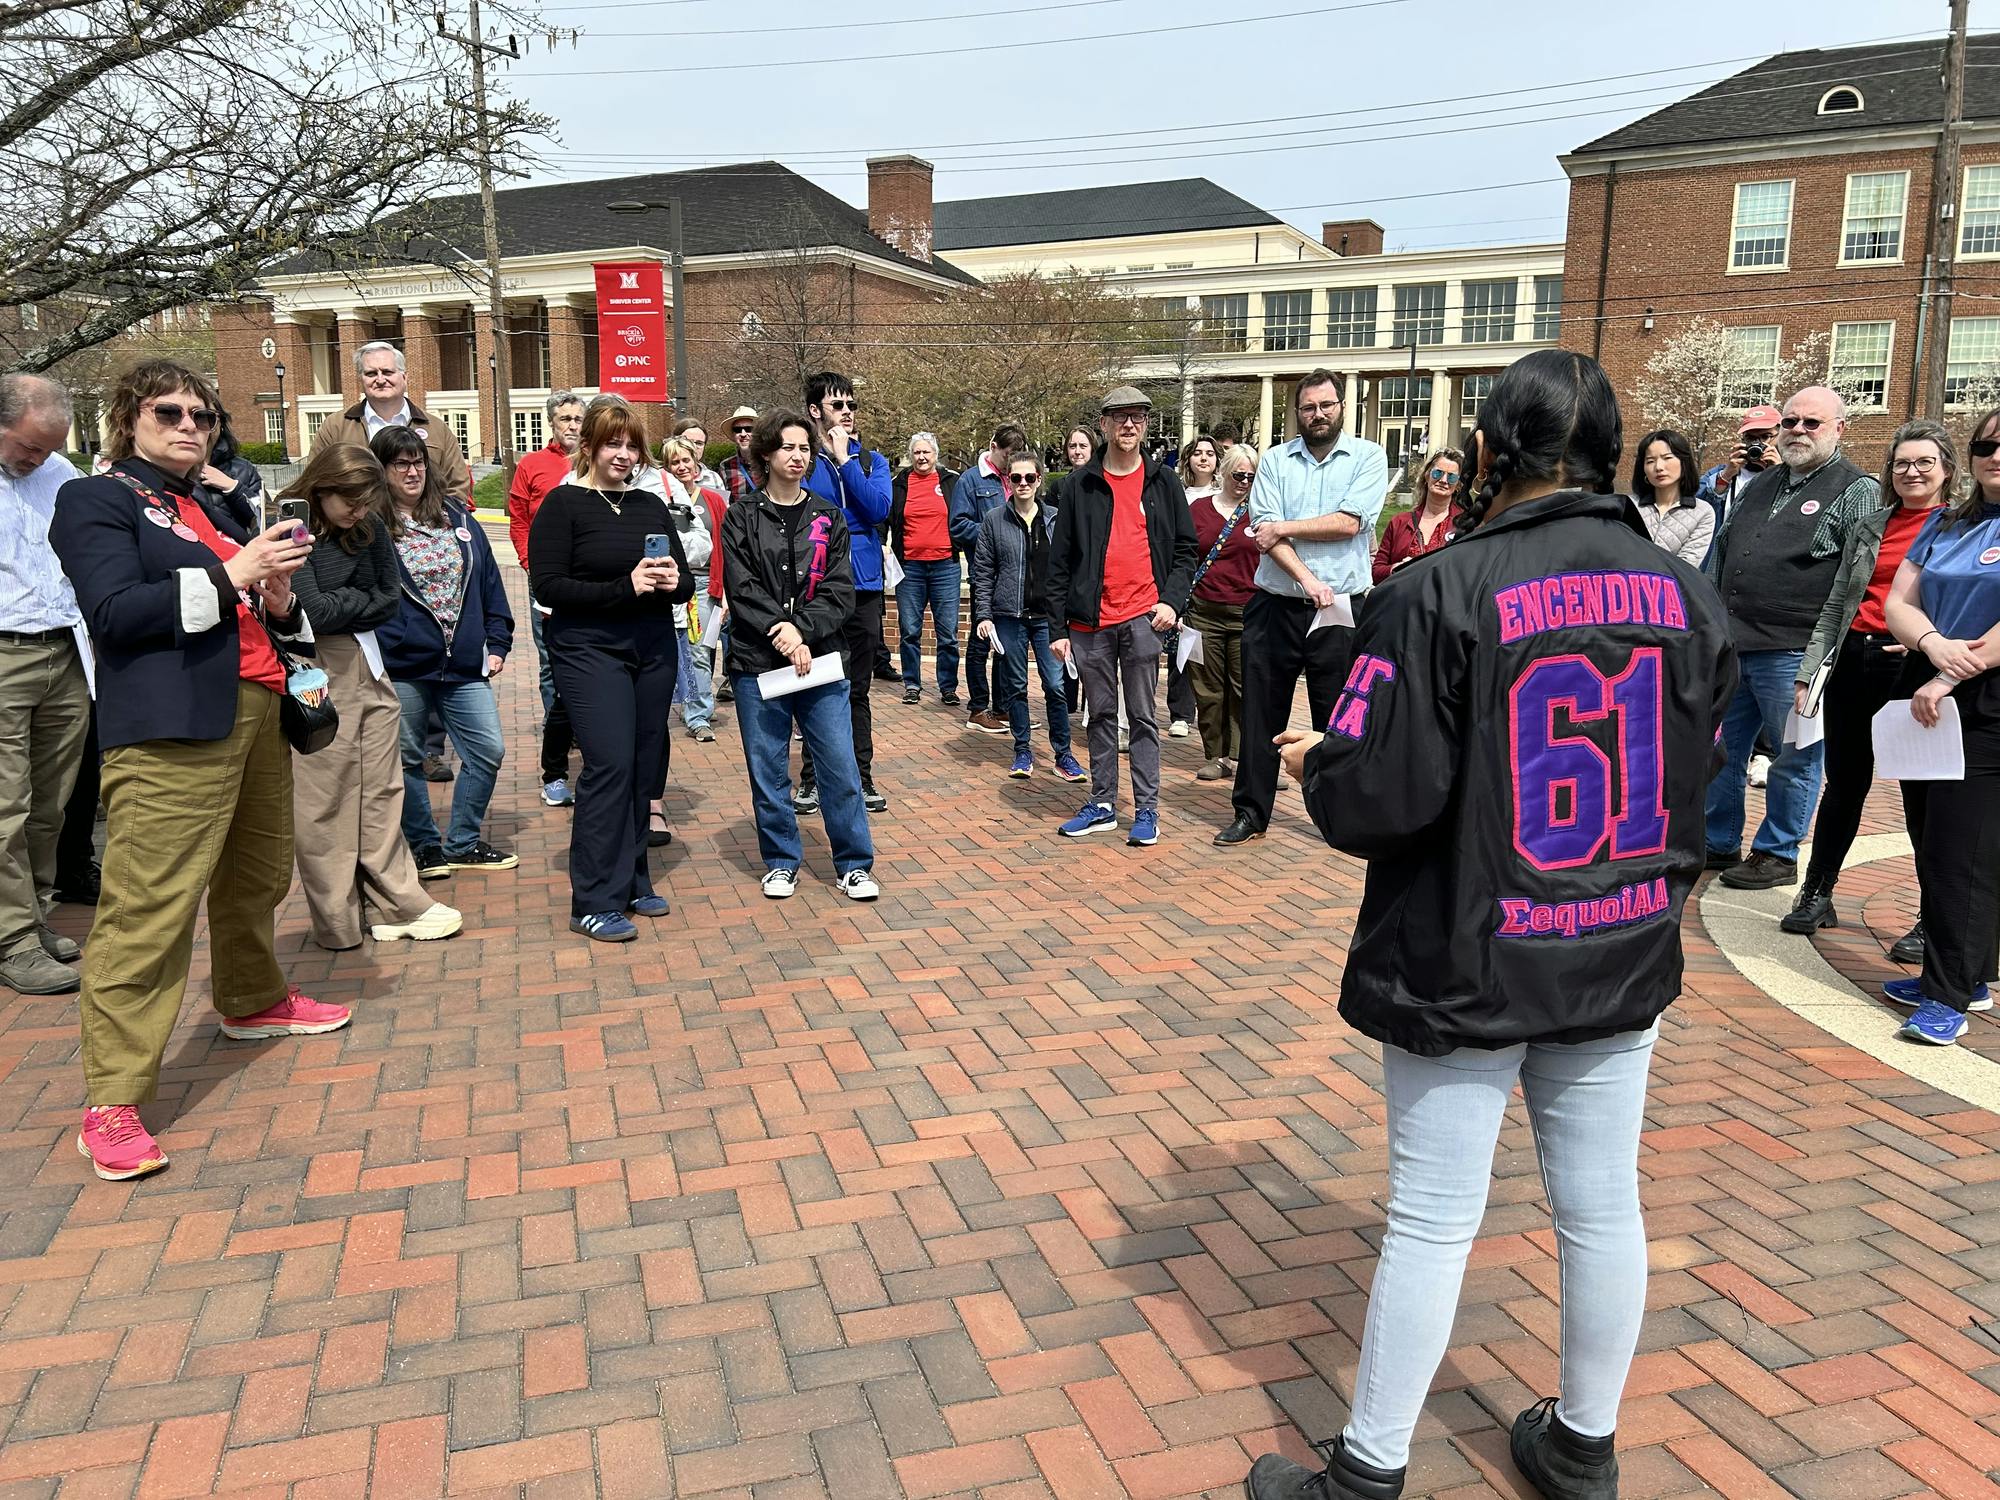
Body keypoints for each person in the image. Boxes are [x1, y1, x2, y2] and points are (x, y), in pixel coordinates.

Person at [1246, 348, 1735, 1500]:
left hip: (1468, 944)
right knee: (1600, 1205)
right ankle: (1581, 1444)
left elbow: (1379, 801)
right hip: (1618, 934)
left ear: (1484, 450)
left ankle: (1367, 1472)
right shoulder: (1684, 594)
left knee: (1430, 1218)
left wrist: (1320, 765)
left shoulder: (1436, 590)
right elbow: (1700, 773)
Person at [51, 359, 351, 1182]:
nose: (190, 425)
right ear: (129, 418)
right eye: (169, 412)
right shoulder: (97, 499)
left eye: (203, 415)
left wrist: (277, 598)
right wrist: (232, 575)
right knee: (148, 907)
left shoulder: (215, 504)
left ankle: (251, 999)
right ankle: (112, 1100)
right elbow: (115, 613)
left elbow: (252, 610)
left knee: (257, 874)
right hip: (171, 729)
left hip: (256, 711)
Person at [528, 400, 693, 941]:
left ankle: (633, 878)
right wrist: (625, 587)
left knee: (644, 766)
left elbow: (686, 582)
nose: (623, 455)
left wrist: (672, 582)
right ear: (589, 446)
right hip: (589, 650)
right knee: (610, 765)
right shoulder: (563, 504)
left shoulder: (650, 504)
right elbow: (548, 586)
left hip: (652, 649)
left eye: (631, 446)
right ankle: (594, 900)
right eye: (612, 444)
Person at [284, 445, 461, 951]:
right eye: (350, 501)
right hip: (316, 669)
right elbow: (313, 611)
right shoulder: (294, 529)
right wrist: (357, 601)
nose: (359, 512)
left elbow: (389, 600)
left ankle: (394, 901)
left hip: (371, 661)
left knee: (383, 787)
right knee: (326, 797)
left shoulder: (371, 527)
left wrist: (347, 603)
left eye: (367, 502)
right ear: (322, 488)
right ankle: (337, 919)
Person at [1783, 421, 1952, 944]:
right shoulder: (1871, 525)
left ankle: (1934, 918)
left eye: (1924, 462)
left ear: (1947, 469)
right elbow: (1839, 600)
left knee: (1922, 797)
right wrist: (1811, 670)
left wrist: (1928, 642)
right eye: (1902, 463)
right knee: (1844, 784)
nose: (1912, 472)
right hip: (1855, 659)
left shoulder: (1962, 528)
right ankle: (1817, 892)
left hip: (1915, 667)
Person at [1704, 386, 1879, 891]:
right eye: (1790, 421)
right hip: (1735, 644)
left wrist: (1821, 658)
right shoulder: (1760, 481)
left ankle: (1777, 852)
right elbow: (1723, 551)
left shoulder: (1857, 489)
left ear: (1839, 429)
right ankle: (1718, 841)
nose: (1798, 430)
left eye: (1812, 422)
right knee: (1721, 751)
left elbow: (1856, 581)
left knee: (1794, 756)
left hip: (1795, 650)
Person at [1216, 370, 1390, 847]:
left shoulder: (1368, 457)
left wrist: (1286, 527)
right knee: (1260, 714)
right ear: (1297, 411)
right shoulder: (1275, 460)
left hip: (1340, 610)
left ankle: (1336, 813)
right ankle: (1250, 812)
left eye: (1326, 405)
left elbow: (1350, 523)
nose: (1318, 414)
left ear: (1342, 407)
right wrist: (1308, 578)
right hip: (1277, 605)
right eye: (1309, 407)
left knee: (1336, 717)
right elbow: (1264, 533)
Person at [721, 411, 879, 902]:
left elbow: (839, 588)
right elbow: (741, 585)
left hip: (822, 659)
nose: (797, 456)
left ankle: (853, 864)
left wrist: (803, 630)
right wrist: (782, 632)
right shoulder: (742, 515)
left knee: (839, 766)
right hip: (758, 661)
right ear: (766, 453)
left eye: (805, 448)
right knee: (768, 769)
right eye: (787, 447)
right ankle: (781, 861)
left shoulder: (828, 515)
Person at [1878, 412, 2000, 1045]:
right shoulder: (1946, 522)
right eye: (1985, 444)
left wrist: (1949, 672)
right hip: (1925, 690)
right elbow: (1898, 602)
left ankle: (1947, 995)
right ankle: (1966, 975)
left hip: (1984, 701)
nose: (1995, 455)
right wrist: (1930, 643)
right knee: (1930, 838)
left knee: (1963, 852)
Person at [1047, 386, 1198, 847]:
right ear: (1104, 424)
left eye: (1137, 417)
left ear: (1146, 425)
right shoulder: (1079, 485)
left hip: (1143, 618)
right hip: (1089, 622)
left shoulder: (1164, 482)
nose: (1128, 424)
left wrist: (1171, 602)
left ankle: (1147, 809)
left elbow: (1186, 550)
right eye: (1119, 417)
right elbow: (1059, 561)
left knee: (1143, 717)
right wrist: (1057, 628)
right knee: (1099, 715)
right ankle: (1103, 803)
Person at [371, 427, 517, 879]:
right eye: (400, 464)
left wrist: (498, 639)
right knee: (406, 758)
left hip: (464, 663)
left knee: (487, 750)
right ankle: (425, 846)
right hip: (402, 664)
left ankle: (462, 842)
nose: (412, 471)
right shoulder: (371, 525)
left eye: (418, 462)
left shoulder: (456, 518)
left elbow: (489, 580)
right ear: (381, 470)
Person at [0, 374, 92, 995]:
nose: (38, 459)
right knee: (5, 805)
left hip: (65, 649)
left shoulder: (60, 473)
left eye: (49, 447)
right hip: (5, 654)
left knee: (49, 804)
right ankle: (12, 942)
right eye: (29, 446)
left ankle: (31, 916)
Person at [972, 453, 1085, 782]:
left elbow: (1071, 569)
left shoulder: (1056, 519)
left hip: (1049, 618)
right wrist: (983, 615)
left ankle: (1063, 754)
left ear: (1039, 481)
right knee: (1016, 687)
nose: (1023, 483)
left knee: (1055, 686)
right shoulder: (994, 520)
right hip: (1009, 616)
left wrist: (1070, 615)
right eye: (1016, 478)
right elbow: (983, 572)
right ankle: (1022, 750)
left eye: (1029, 478)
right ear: (1008, 481)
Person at [507, 390, 586, 806]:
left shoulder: (593, 461)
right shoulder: (532, 465)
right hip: (546, 578)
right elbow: (518, 519)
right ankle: (560, 726)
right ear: (551, 423)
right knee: (550, 657)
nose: (572, 425)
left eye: (577, 418)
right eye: (564, 418)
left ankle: (581, 722)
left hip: (587, 577)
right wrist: (529, 563)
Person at [311, 340, 472, 503]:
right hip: (356, 518)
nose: (380, 380)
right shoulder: (336, 427)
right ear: (361, 380)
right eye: (371, 374)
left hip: (423, 517)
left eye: (387, 372)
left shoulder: (436, 428)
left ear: (404, 377)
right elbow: (315, 481)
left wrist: (430, 516)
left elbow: (457, 486)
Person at [1185, 444, 1262, 782]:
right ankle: (1216, 755)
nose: (1244, 481)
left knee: (1245, 687)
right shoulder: (1199, 510)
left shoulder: (1261, 512)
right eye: (1238, 474)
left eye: (1251, 476)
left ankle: (1244, 756)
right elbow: (1183, 556)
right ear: (1223, 472)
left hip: (1249, 611)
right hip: (1203, 611)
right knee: (1208, 688)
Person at [951, 423, 1027, 733]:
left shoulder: (1018, 478)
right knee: (981, 641)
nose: (1011, 463)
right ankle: (978, 708)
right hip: (986, 573)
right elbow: (958, 526)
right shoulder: (971, 480)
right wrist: (995, 531)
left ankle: (1003, 707)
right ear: (993, 446)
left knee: (1005, 642)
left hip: (1014, 574)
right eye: (1007, 455)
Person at [888, 433, 961, 706]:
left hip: (946, 566)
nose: (921, 457)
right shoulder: (899, 484)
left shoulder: (951, 481)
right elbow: (885, 518)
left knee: (948, 633)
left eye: (926, 452)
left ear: (935, 455)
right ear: (911, 455)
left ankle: (948, 687)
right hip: (910, 567)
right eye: (917, 452)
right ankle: (912, 684)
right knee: (909, 630)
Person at [662, 436, 726, 743]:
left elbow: (726, 547)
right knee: (670, 651)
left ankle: (699, 715)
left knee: (700, 651)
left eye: (686, 460)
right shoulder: (659, 499)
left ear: (695, 462)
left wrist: (725, 592)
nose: (681, 466)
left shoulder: (713, 500)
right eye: (674, 462)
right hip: (668, 584)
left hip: (703, 586)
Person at [1166, 436, 1221, 738]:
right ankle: (1181, 713)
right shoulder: (1179, 494)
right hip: (1185, 577)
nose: (1203, 458)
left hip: (1214, 581)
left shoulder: (1224, 495)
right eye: (1197, 453)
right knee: (1182, 646)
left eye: (1210, 453)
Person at [1373, 446, 1464, 583]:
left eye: (1451, 477)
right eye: (1438, 473)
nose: (1444, 480)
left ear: (1457, 485)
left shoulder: (1465, 524)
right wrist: (1396, 568)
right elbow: (1376, 571)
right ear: (1427, 476)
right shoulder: (1399, 523)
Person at [1698, 403, 1781, 549]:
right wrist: (1726, 476)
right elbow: (1695, 511)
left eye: (1765, 437)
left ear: (1781, 436)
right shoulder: (1721, 474)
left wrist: (1779, 472)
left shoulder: (1793, 476)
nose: (1757, 444)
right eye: (1750, 438)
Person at [1626, 429, 1713, 566]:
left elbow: (1686, 566)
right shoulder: (1628, 505)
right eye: (1650, 461)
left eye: (1667, 458)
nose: (1658, 467)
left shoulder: (1702, 512)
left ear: (1684, 462)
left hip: (1675, 580)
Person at [199, 406, 266, 532]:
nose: (196, 426)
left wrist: (234, 488)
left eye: (206, 416)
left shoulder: (243, 469)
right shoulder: (171, 469)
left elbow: (266, 519)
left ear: (221, 424)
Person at [671, 417, 724, 493]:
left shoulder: (713, 478)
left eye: (699, 443)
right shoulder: (663, 477)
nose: (694, 447)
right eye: (688, 442)